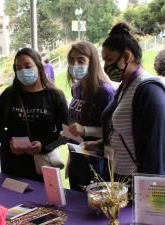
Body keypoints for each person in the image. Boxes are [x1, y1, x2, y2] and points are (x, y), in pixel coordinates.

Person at [99, 23, 165, 177]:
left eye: (109, 60)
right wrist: (99, 145)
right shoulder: (125, 87)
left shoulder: (150, 91)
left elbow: (156, 150)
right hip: (121, 178)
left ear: (126, 56)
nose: (106, 66)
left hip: (140, 183)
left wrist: (148, 192)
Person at [0, 48, 68, 181]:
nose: (23, 71)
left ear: (38, 66)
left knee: (43, 200)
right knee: (12, 199)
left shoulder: (55, 95)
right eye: (18, 68)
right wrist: (9, 143)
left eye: (27, 66)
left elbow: (65, 133)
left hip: (42, 164)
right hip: (12, 163)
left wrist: (42, 145)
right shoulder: (9, 94)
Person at [66, 41, 115, 191]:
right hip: (76, 155)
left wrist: (85, 130)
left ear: (92, 62)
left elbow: (113, 131)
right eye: (71, 60)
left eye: (81, 60)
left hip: (96, 160)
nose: (75, 64)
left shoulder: (104, 91)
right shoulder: (77, 88)